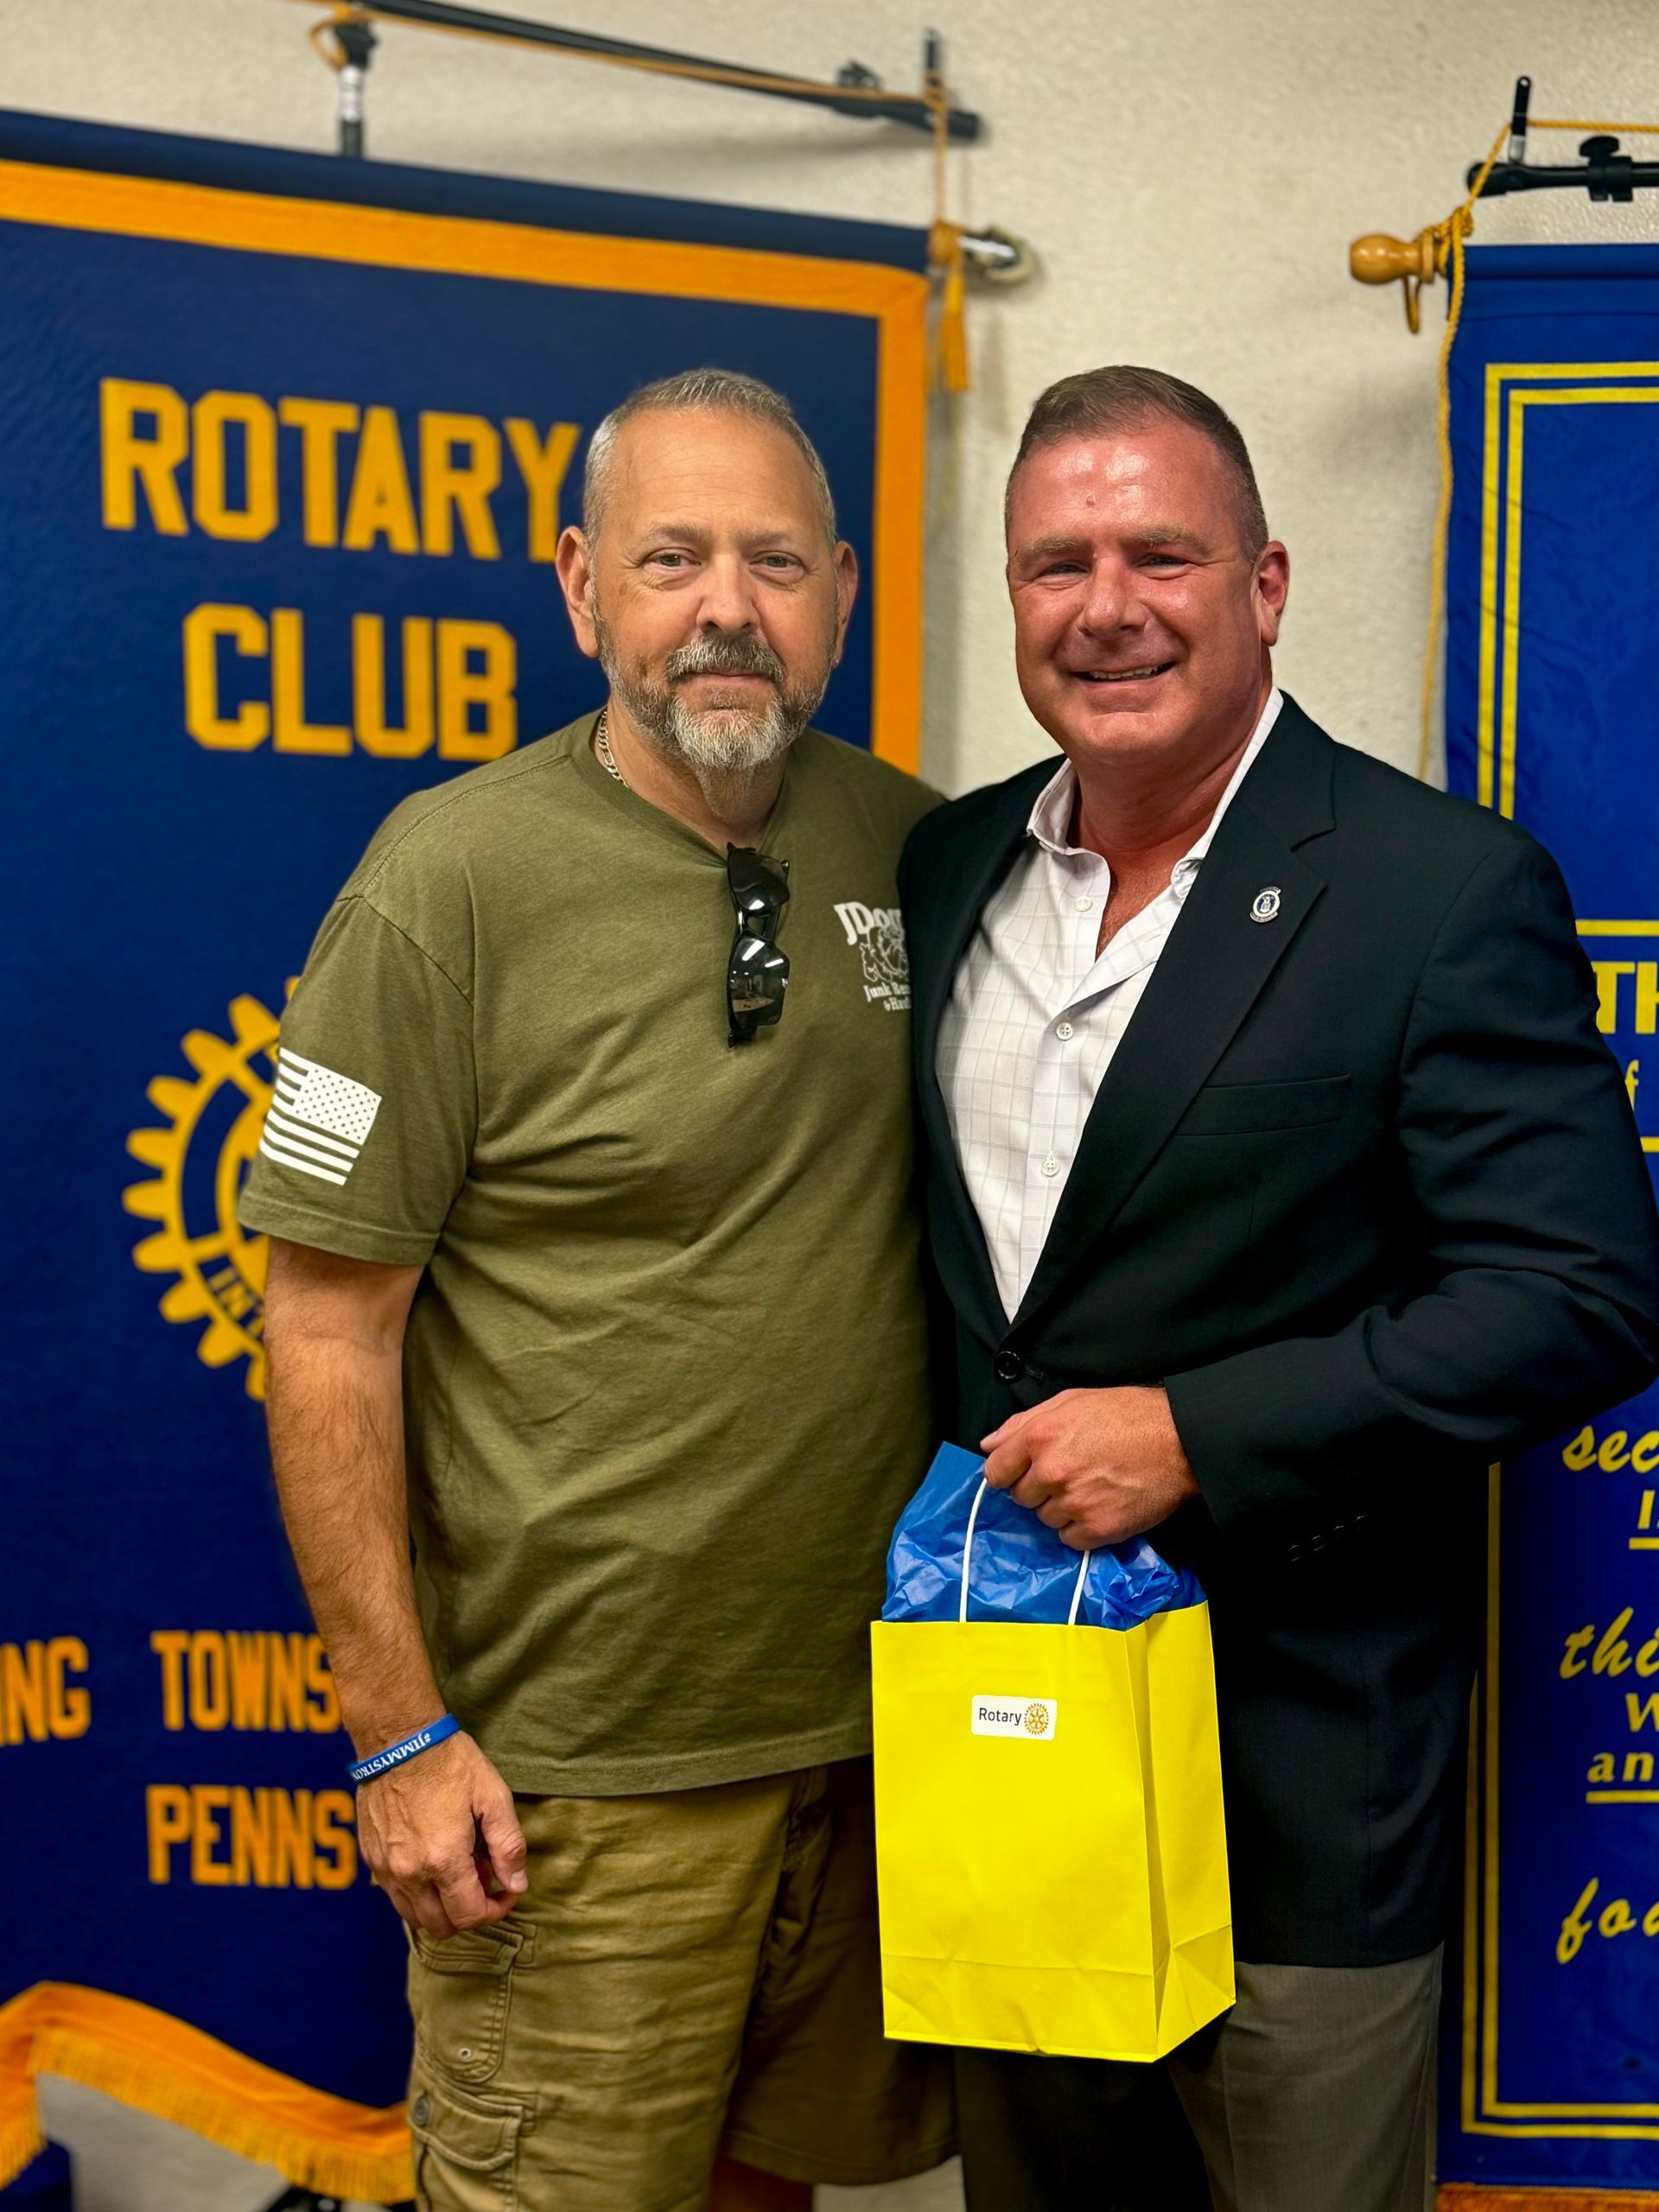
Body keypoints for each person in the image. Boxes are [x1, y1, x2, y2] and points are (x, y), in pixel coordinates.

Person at [898, 364, 1659, 2212]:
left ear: (1267, 580)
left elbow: (1582, 1286)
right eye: (1055, 562)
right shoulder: (940, 870)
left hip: (1300, 1788)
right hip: (1014, 1762)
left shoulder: (1434, 887)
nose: (1108, 604)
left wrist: (1201, 1432)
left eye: (1163, 550)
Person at [239, 368, 952, 2212]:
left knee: (771, 2193)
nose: (729, 602)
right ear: (579, 589)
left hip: (870, 1749)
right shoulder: (445, 882)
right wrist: (394, 1728)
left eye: (777, 557)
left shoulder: (922, 848)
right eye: (673, 555)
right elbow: (321, 1320)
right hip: (572, 1787)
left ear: (844, 592)